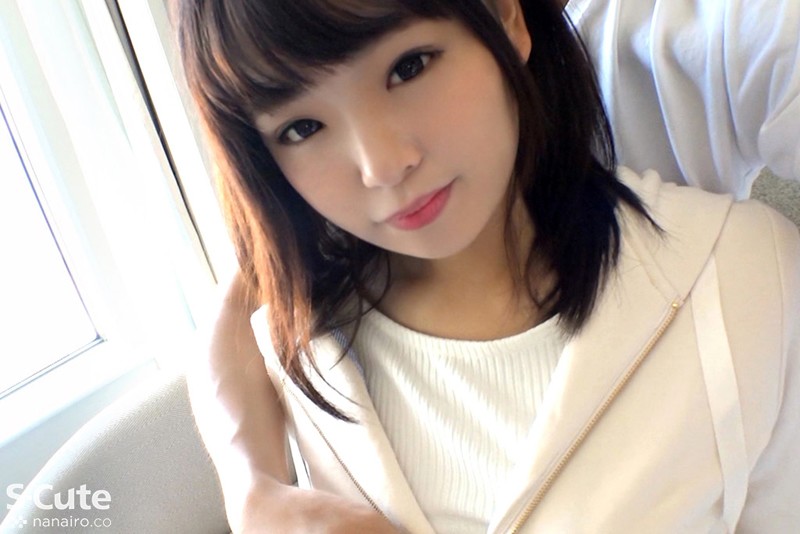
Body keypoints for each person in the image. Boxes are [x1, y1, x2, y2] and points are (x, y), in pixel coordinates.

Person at [176, 0, 800, 532]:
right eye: (303, 127)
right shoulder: (298, 338)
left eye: (409, 67)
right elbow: (251, 283)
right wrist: (253, 491)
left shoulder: (745, 277)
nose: (382, 166)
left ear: (507, 18)